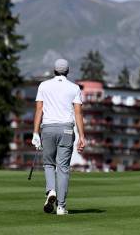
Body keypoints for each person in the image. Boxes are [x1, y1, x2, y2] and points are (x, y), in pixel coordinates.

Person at [31, 59, 86, 215]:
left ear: (54, 70)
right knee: (63, 169)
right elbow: (78, 112)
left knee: (49, 164)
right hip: (67, 130)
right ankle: (61, 207)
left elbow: (39, 110)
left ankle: (50, 191)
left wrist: (35, 133)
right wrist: (82, 136)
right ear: (67, 71)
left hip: (47, 129)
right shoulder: (74, 88)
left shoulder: (43, 86)